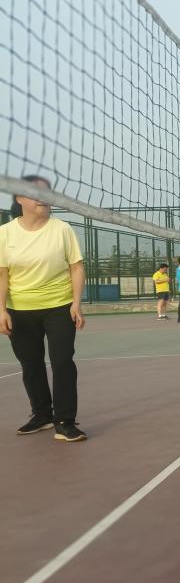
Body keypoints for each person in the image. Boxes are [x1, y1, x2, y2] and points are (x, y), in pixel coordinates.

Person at [0, 176, 87, 441]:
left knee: (62, 362)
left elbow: (76, 267)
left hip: (59, 307)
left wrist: (76, 303)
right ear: (19, 198)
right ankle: (42, 415)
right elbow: (2, 275)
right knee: (30, 364)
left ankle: (65, 421)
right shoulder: (5, 233)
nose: (42, 197)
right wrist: (1, 310)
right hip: (20, 309)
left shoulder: (62, 229)